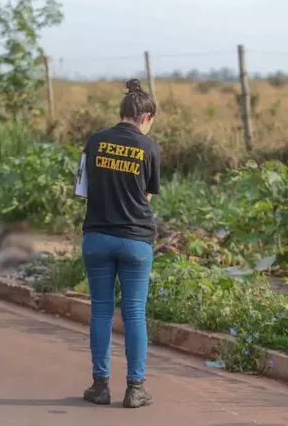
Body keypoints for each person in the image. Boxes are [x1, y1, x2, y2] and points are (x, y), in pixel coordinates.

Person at [79, 78, 161, 409]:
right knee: (134, 312)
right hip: (136, 241)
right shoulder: (150, 146)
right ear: (147, 116)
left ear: (122, 112)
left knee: (101, 309)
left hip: (97, 236)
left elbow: (82, 189)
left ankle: (100, 386)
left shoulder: (95, 141)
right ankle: (135, 388)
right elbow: (148, 195)